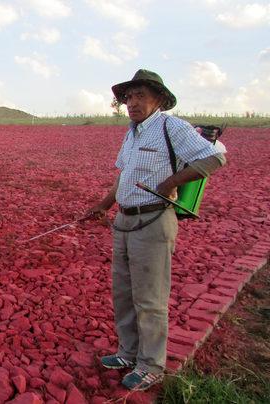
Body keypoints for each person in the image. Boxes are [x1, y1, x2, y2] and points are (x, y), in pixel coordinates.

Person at [87, 69, 226, 391]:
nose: (132, 103)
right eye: (128, 98)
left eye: (140, 96)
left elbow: (216, 157)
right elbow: (123, 174)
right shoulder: (132, 132)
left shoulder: (171, 128)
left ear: (159, 99)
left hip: (153, 220)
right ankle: (128, 352)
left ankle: (151, 365)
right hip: (124, 219)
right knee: (123, 292)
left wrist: (170, 182)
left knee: (149, 297)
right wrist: (104, 204)